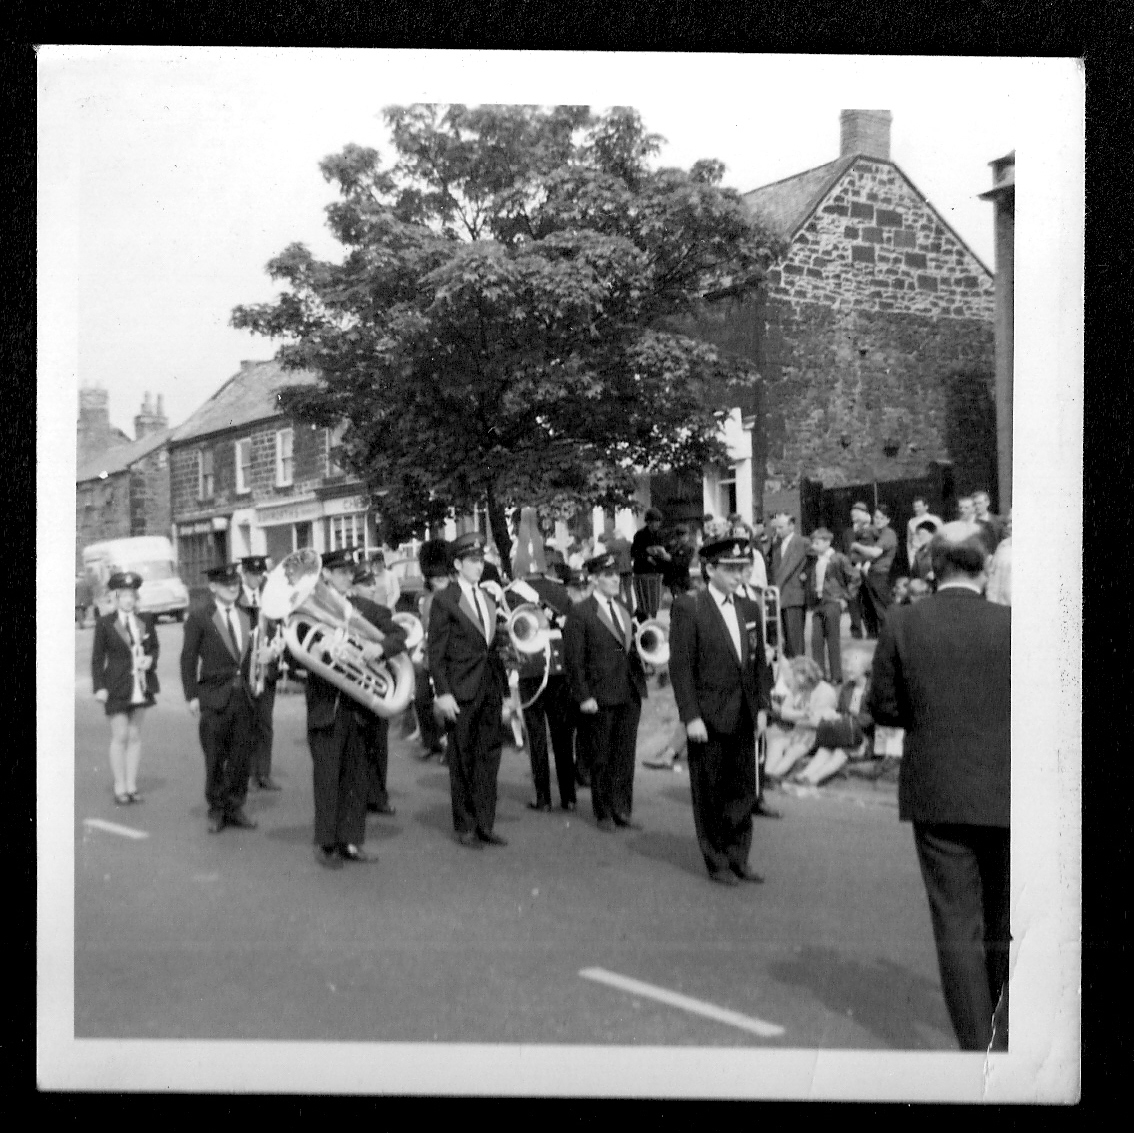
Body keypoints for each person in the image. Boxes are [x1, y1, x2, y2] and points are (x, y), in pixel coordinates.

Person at [867, 523, 1011, 1051]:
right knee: (1003, 921)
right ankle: (1005, 1036)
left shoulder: (903, 622)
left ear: (933, 567)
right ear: (985, 567)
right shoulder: (1014, 625)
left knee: (956, 923)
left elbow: (884, 707)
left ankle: (978, 1050)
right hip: (1008, 791)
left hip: (938, 789)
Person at [668, 535, 773, 885]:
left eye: (743, 568)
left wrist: (762, 706)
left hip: (744, 713)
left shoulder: (749, 608)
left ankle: (739, 856)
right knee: (710, 793)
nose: (739, 576)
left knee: (743, 791)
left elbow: (758, 663)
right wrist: (691, 717)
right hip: (709, 716)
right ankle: (717, 860)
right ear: (710, 569)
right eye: (731, 569)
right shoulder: (690, 606)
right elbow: (681, 667)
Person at [297, 547, 398, 869]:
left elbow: (400, 635)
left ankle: (352, 841)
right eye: (341, 572)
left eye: (350, 572)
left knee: (357, 777)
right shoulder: (308, 610)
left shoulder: (367, 609)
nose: (348, 577)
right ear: (325, 574)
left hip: (360, 708)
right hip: (326, 707)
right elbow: (291, 654)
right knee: (327, 777)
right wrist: (316, 647)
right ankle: (326, 843)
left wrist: (379, 648)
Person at [428, 531, 511, 849]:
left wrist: (505, 694)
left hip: (489, 688)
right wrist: (443, 693)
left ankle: (485, 824)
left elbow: (492, 650)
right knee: (462, 757)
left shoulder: (488, 598)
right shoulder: (445, 599)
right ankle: (465, 825)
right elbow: (436, 652)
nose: (479, 566)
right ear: (458, 564)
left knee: (489, 757)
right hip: (460, 690)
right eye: (473, 561)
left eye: (481, 560)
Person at [563, 551, 648, 832]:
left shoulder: (623, 608)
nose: (615, 580)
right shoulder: (581, 611)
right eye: (609, 576)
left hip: (628, 690)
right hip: (600, 694)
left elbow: (628, 648)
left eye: (617, 576)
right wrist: (584, 696)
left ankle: (622, 808)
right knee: (601, 755)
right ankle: (603, 812)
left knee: (625, 755)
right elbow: (574, 660)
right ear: (595, 579)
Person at [180, 564, 258, 835]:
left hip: (243, 696)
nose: (233, 588)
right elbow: (188, 658)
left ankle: (235, 806)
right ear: (213, 587)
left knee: (241, 756)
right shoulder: (199, 617)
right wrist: (191, 695)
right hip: (214, 697)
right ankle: (216, 809)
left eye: (235, 583)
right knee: (214, 757)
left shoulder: (247, 615)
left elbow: (251, 654)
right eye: (226, 584)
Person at [505, 557, 578, 814]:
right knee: (562, 734)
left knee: (536, 736)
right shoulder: (559, 589)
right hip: (558, 667)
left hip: (529, 667)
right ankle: (569, 796)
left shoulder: (512, 592)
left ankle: (543, 798)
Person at [91, 571, 159, 805]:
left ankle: (131, 785)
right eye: (124, 595)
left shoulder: (145, 620)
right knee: (120, 735)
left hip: (140, 684)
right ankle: (120, 785)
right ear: (116, 597)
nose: (129, 600)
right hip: (116, 685)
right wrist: (99, 687)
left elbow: (154, 647)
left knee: (135, 735)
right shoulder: (105, 623)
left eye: (132, 595)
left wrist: (150, 660)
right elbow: (97, 658)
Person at [350, 561, 409, 819]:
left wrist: (381, 648)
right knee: (356, 746)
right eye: (366, 584)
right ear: (353, 587)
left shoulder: (377, 610)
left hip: (373, 684)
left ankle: (376, 795)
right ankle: (359, 796)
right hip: (348, 683)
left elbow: (400, 635)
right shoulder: (339, 608)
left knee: (376, 743)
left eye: (373, 583)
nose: (372, 587)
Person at [237, 555, 284, 792]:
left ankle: (263, 773)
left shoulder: (270, 598)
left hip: (266, 669)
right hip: (244, 671)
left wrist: (273, 651)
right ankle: (244, 772)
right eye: (253, 574)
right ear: (244, 574)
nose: (257, 578)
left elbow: (280, 630)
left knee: (265, 723)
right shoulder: (236, 599)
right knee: (244, 723)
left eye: (260, 574)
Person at [763, 656, 839, 781]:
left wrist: (795, 715)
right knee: (776, 743)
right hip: (796, 731)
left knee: (792, 751)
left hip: (815, 735)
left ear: (804, 675)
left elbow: (816, 721)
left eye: (795, 675)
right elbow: (784, 711)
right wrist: (801, 715)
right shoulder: (798, 688)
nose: (792, 678)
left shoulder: (825, 691)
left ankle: (774, 775)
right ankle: (767, 773)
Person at [412, 539, 453, 762]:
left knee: (447, 703)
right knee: (421, 699)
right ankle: (431, 741)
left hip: (448, 657)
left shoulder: (453, 598)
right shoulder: (427, 599)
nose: (440, 582)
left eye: (443, 577)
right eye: (436, 578)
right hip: (430, 655)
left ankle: (450, 746)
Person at [805, 527, 856, 685]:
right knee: (816, 640)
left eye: (817, 543)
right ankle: (819, 675)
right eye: (813, 543)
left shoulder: (838, 558)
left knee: (832, 639)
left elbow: (855, 577)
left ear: (827, 542)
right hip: (818, 602)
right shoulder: (815, 560)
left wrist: (845, 597)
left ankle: (836, 675)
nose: (814, 546)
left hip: (833, 600)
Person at [853, 504, 899, 635]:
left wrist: (856, 546)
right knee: (871, 607)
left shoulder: (888, 534)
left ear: (888, 520)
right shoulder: (875, 532)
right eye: (876, 517)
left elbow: (874, 552)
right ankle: (876, 635)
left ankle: (893, 634)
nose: (878, 520)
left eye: (882, 518)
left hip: (880, 574)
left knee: (883, 606)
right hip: (871, 573)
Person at [769, 513, 809, 657]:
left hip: (794, 595)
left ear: (791, 526)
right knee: (784, 637)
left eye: (781, 527)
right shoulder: (776, 544)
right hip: (780, 595)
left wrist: (805, 575)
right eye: (776, 528)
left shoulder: (802, 542)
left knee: (795, 638)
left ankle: (798, 665)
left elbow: (814, 560)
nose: (777, 531)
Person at [630, 507, 671, 622]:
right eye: (654, 522)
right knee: (643, 602)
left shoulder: (661, 535)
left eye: (658, 522)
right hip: (642, 571)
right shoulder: (640, 535)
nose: (657, 524)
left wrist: (662, 554)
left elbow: (666, 551)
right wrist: (647, 553)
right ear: (648, 522)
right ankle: (642, 619)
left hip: (656, 572)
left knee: (654, 602)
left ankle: (652, 621)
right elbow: (633, 553)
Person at [845, 501, 876, 639]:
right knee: (853, 600)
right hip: (852, 570)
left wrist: (864, 563)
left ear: (865, 514)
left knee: (868, 600)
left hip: (866, 569)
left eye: (857, 514)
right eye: (853, 514)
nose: (854, 516)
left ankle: (872, 630)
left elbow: (872, 549)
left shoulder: (871, 530)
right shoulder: (848, 532)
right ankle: (856, 630)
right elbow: (847, 550)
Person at [596, 514, 634, 612]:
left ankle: (621, 608)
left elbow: (609, 556)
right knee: (628, 591)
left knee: (618, 591)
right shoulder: (629, 544)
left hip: (618, 569)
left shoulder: (613, 545)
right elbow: (633, 555)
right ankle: (630, 609)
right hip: (628, 569)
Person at [905, 497, 943, 569]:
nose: (916, 509)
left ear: (926, 506)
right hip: (916, 555)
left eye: (919, 506)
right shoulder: (911, 522)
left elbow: (941, 538)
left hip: (931, 554)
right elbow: (909, 541)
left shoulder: (935, 520)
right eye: (915, 507)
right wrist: (910, 558)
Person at [985, 510, 1012, 606]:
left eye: (1013, 522)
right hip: (999, 607)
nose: (1009, 526)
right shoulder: (1003, 546)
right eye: (1009, 522)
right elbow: (993, 580)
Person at [973, 490, 1006, 557]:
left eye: (979, 503)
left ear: (987, 503)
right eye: (974, 504)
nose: (977, 506)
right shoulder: (970, 523)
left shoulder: (999, 521)